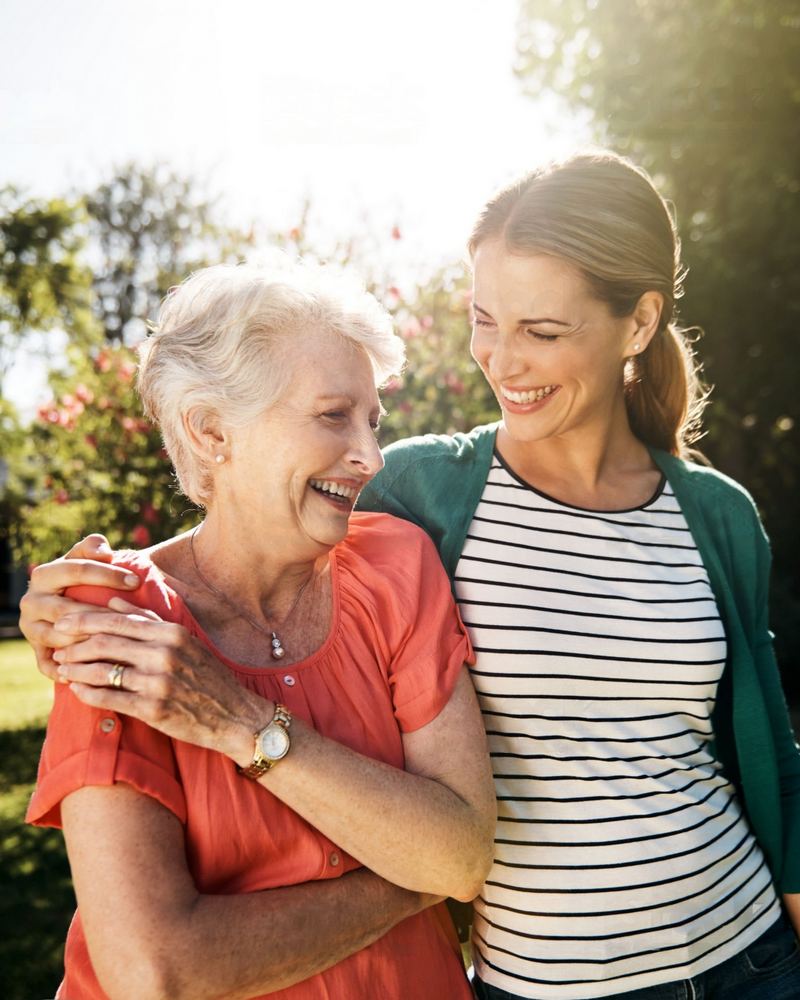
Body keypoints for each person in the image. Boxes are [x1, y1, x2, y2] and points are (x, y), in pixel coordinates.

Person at [20, 152, 800, 999]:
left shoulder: (715, 516)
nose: (501, 362)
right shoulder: (426, 492)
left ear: (639, 324)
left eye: (541, 331)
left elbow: (776, 776)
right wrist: (83, 597)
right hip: (543, 983)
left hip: (748, 954)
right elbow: (251, 505)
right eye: (483, 319)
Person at [20, 257, 497, 1000]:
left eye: (372, 421)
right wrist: (411, 877)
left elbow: (461, 853)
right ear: (212, 430)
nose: (369, 455)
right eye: (332, 415)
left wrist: (243, 723)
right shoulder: (115, 619)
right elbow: (158, 971)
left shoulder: (393, 565)